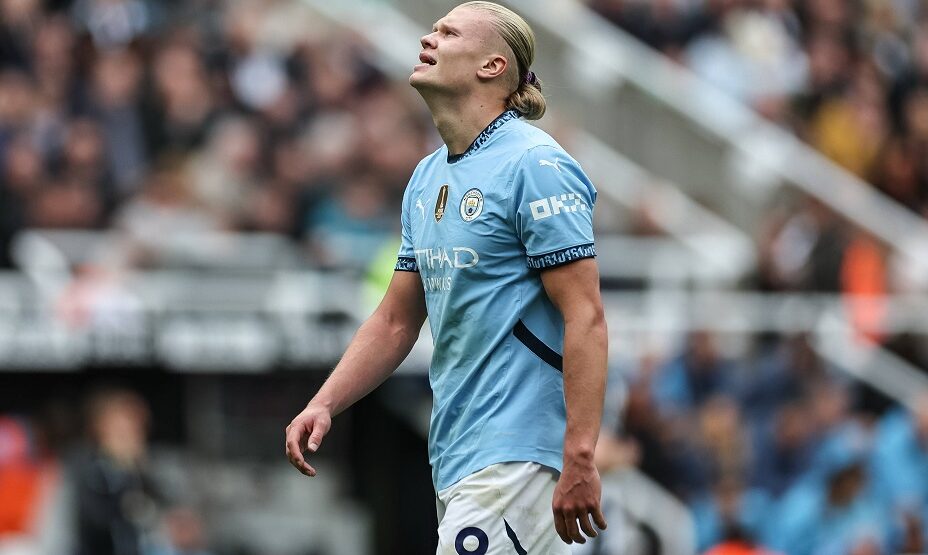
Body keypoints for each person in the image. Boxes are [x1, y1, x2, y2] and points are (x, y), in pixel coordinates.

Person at [285, 2, 608, 551]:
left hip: (518, 453)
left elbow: (586, 315)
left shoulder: (535, 164)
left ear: (492, 66)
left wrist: (579, 453)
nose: (428, 39)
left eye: (448, 32)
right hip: (457, 452)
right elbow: (395, 320)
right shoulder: (426, 177)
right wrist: (325, 402)